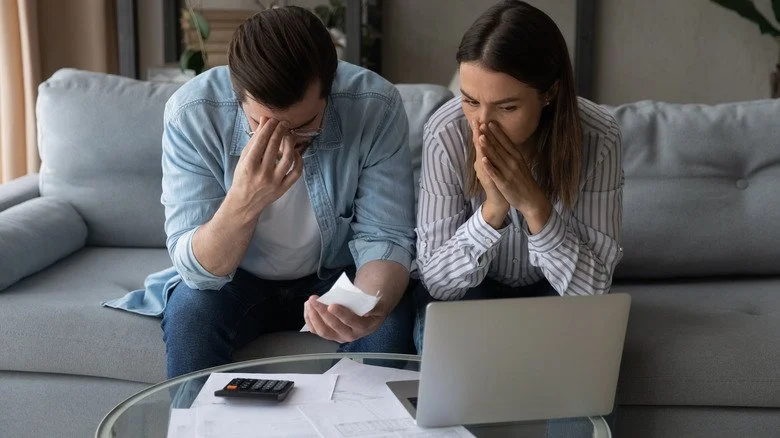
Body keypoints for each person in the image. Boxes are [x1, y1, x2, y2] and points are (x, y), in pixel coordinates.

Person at [104, 6, 417, 378]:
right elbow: (197, 271)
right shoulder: (193, 113)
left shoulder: (374, 106)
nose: (284, 141)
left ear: (329, 92)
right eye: (261, 124)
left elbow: (386, 237)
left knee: (389, 326)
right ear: (238, 97)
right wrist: (243, 200)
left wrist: (370, 307)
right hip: (236, 279)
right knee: (191, 317)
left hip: (337, 272)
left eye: (304, 125)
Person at [414, 0, 624, 352]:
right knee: (458, 382)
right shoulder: (446, 132)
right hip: (470, 291)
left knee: (580, 400)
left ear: (549, 94)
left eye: (507, 107)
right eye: (470, 101)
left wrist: (534, 206)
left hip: (555, 290)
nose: (482, 124)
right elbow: (437, 283)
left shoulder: (599, 137)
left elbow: (593, 293)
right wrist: (492, 210)